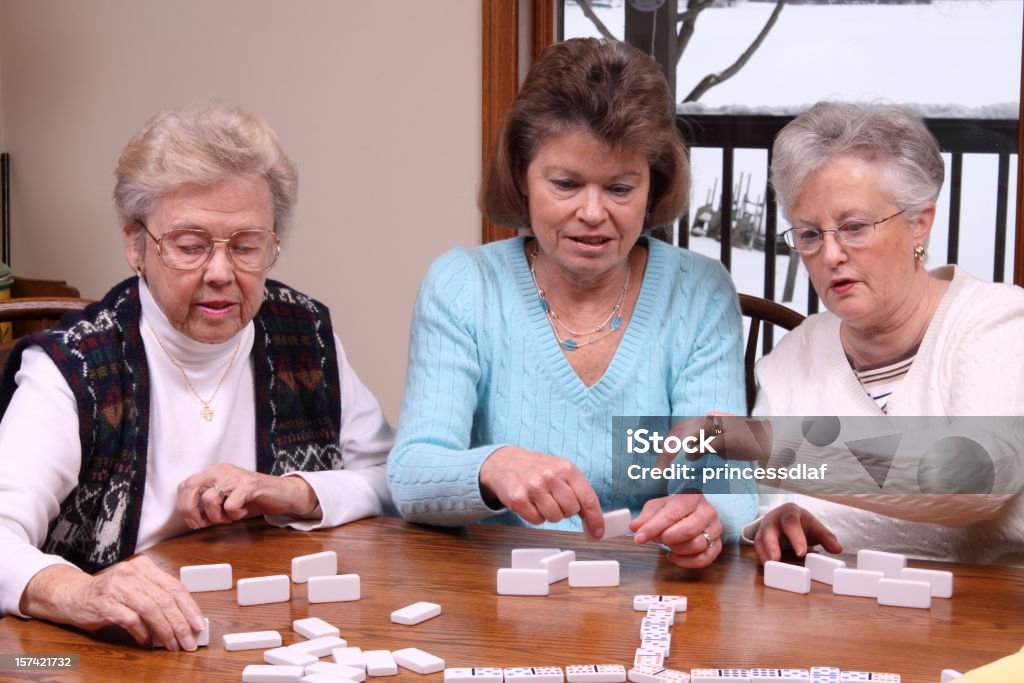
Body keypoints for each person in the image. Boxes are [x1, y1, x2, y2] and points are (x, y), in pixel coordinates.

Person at [0, 105, 393, 648]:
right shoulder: (74, 367)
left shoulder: (304, 334)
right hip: (105, 651)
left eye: (247, 245)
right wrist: (79, 592)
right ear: (136, 245)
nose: (220, 272)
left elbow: (390, 476)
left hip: (275, 633)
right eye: (190, 246)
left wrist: (294, 491)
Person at [387, 38, 754, 569]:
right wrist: (492, 467)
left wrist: (705, 515)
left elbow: (728, 488)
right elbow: (411, 476)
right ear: (521, 175)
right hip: (495, 594)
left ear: (654, 188)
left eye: (620, 189)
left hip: (652, 594)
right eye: (565, 183)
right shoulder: (463, 284)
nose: (592, 212)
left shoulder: (698, 291)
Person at [747, 101, 1024, 565]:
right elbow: (760, 507)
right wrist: (775, 522)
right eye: (810, 235)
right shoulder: (793, 358)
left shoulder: (1000, 322)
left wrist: (777, 448)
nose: (831, 254)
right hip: (834, 621)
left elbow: (973, 479)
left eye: (854, 227)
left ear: (920, 222)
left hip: (990, 623)